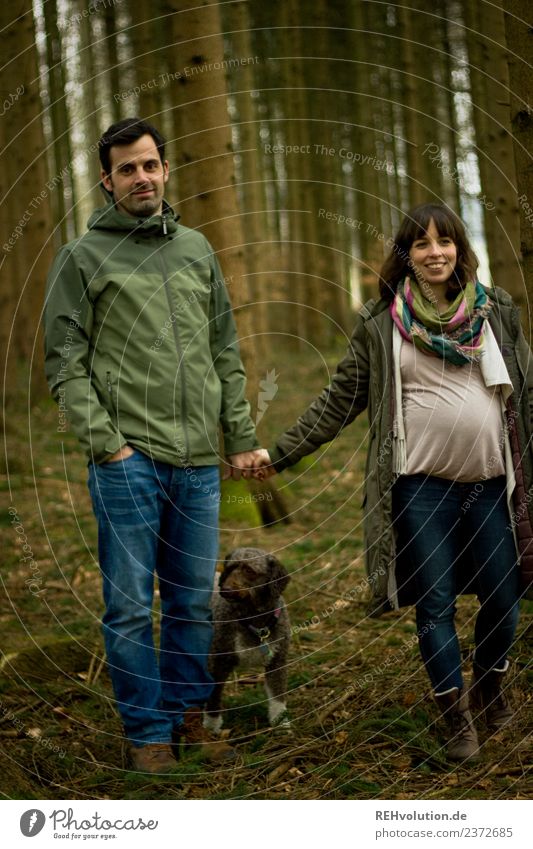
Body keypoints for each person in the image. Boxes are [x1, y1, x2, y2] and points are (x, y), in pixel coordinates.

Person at [254, 203, 533, 761]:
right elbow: (339, 400)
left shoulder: (494, 309)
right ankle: (454, 713)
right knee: (434, 604)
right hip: (420, 488)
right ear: (406, 255)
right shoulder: (382, 321)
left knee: (505, 596)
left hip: (491, 485)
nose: (435, 252)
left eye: (445, 241)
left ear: (460, 248)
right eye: (422, 244)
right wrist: (278, 453)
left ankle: (489, 686)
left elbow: (526, 388)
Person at [44, 117, 263, 774]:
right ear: (107, 181)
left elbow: (224, 349)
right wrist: (109, 444)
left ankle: (189, 715)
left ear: (165, 170)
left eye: (150, 165)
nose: (141, 177)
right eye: (127, 169)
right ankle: (147, 733)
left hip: (198, 466)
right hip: (128, 464)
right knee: (131, 606)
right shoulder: (82, 257)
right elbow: (63, 359)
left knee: (193, 600)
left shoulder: (196, 248)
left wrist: (241, 437)